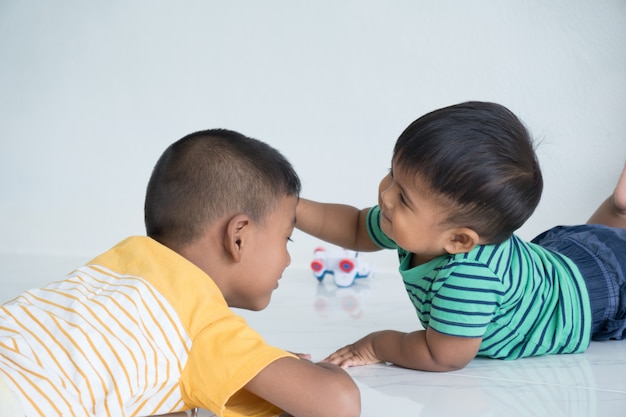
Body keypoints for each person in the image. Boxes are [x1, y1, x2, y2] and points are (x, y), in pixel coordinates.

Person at [0, 129, 360, 417]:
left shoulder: (115, 265)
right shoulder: (201, 326)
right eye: (287, 239)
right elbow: (338, 405)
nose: (285, 259)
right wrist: (280, 366)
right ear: (238, 237)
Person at [295, 101, 626, 373]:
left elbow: (444, 355)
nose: (386, 197)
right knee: (601, 245)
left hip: (606, 293)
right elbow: (354, 226)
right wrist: (288, 208)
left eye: (404, 197)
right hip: (562, 258)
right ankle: (618, 209)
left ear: (459, 241)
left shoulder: (468, 277)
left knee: (610, 253)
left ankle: (618, 210)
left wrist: (374, 345)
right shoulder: (415, 225)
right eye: (392, 173)